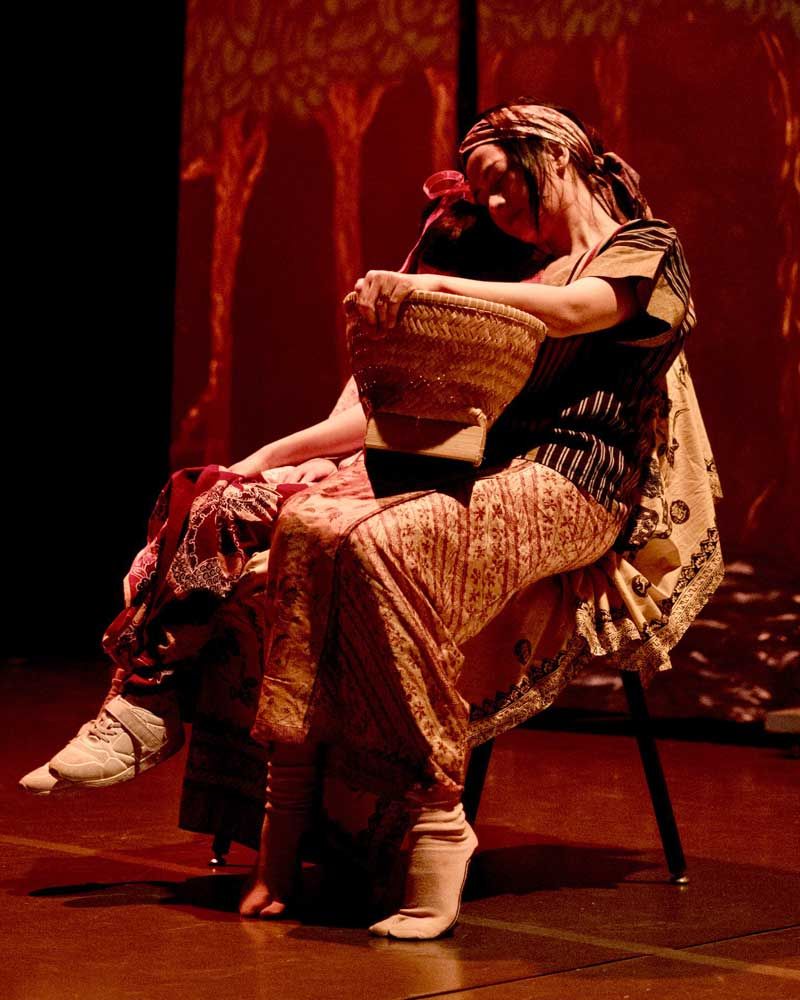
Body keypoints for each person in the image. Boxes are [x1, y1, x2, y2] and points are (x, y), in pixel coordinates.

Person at [20, 101, 722, 941]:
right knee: (289, 522)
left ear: (556, 155)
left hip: (575, 482)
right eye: (485, 196)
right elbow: (422, 401)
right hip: (478, 468)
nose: (498, 208)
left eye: (504, 184)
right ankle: (251, 801)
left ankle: (436, 816)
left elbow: (581, 312)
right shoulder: (525, 274)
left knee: (378, 546)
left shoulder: (644, 249)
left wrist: (432, 288)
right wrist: (301, 453)